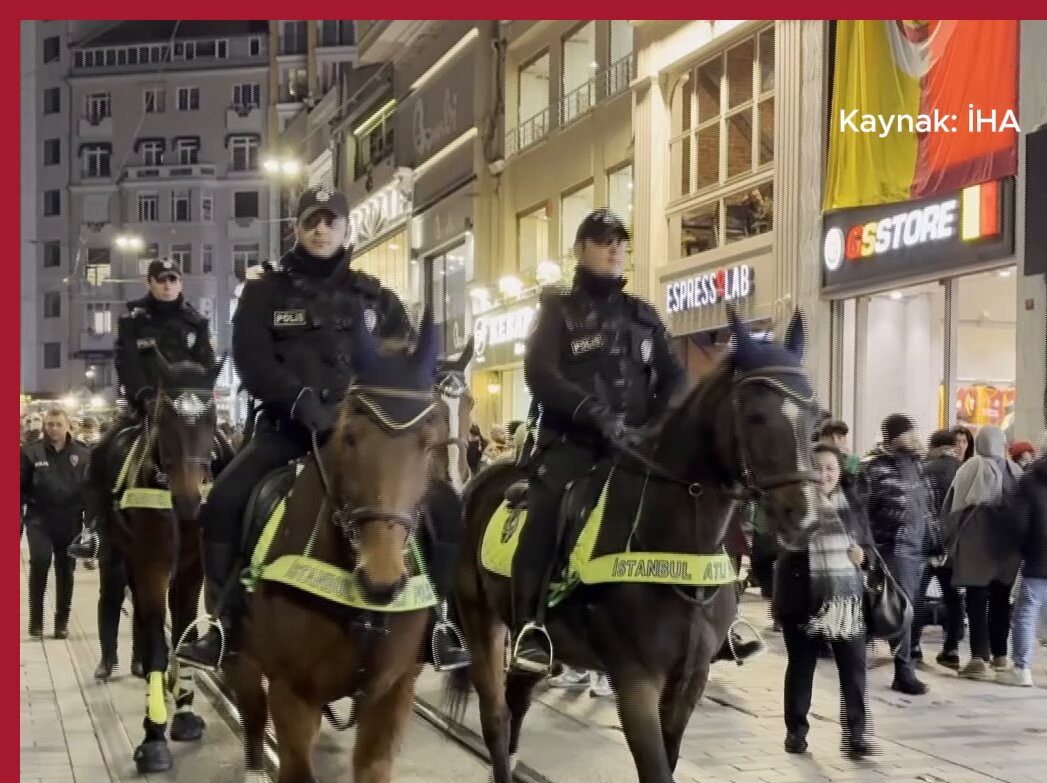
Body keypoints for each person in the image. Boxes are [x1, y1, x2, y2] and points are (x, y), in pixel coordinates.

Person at [176, 186, 467, 672]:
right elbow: (251, 361)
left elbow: (407, 365)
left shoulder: (377, 297)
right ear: (297, 226)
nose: (321, 228)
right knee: (225, 500)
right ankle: (222, 624)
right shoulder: (265, 291)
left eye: (331, 220)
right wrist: (300, 402)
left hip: (368, 440)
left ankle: (437, 621)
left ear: (346, 228)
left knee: (445, 506)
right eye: (312, 220)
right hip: (287, 432)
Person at [508, 209, 687, 673]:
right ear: (580, 249)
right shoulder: (558, 310)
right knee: (549, 510)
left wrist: (662, 423)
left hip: (637, 448)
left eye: (620, 242)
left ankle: (712, 615)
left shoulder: (644, 316)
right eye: (604, 240)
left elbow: (675, 377)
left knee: (691, 497)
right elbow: (540, 375)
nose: (614, 249)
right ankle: (530, 625)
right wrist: (593, 413)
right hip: (574, 444)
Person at [68, 258, 216, 561]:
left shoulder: (196, 322)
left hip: (187, 413)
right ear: (149, 282)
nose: (167, 285)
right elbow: (127, 363)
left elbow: (207, 363)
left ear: (181, 283)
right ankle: (92, 530)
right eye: (161, 279)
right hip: (142, 408)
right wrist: (146, 395)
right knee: (99, 454)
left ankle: (226, 534)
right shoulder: (133, 320)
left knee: (227, 454)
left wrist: (200, 395)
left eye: (173, 279)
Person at [773, 443, 874, 759]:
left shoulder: (852, 506)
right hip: (802, 601)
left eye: (831, 468)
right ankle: (796, 733)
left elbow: (869, 547)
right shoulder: (792, 505)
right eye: (818, 468)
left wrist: (864, 557)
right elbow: (768, 548)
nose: (825, 474)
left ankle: (855, 734)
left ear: (840, 471)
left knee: (854, 670)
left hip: (847, 604)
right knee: (802, 668)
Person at [862, 413, 939, 695]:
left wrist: (935, 543)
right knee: (900, 610)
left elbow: (928, 507)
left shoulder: (917, 464)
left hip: (917, 549)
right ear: (894, 436)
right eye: (908, 432)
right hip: (893, 548)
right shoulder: (875, 468)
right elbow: (864, 510)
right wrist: (869, 546)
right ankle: (903, 672)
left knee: (898, 610)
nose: (914, 436)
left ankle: (889, 661)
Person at [940, 425, 1022, 681]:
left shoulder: (970, 468)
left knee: (976, 600)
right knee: (1001, 599)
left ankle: (978, 657)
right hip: (1007, 546)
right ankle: (1000, 654)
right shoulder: (1015, 471)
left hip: (975, 542)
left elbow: (951, 506)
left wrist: (945, 537)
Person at [20, 408, 91, 639]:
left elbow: (91, 490)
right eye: (49, 424)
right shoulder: (31, 453)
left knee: (65, 570)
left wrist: (92, 524)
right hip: (39, 519)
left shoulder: (83, 453)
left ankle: (61, 622)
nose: (53, 429)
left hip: (70, 520)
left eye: (58, 424)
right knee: (39, 562)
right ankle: (36, 621)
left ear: (68, 425)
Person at [1000, 425, 1047, 687]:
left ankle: (1022, 668)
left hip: (1039, 551)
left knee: (1026, 609)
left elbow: (1018, 520)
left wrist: (1020, 548)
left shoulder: (1030, 476)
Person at [912, 429, 965, 669]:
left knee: (917, 596)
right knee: (954, 598)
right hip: (954, 545)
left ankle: (913, 648)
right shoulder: (963, 470)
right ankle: (951, 649)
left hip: (925, 543)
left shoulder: (923, 469)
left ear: (933, 446)